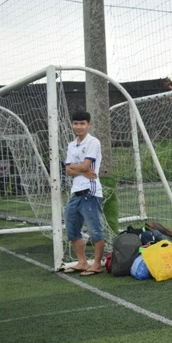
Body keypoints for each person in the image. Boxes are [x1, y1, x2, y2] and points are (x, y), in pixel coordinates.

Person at [62, 111, 106, 276]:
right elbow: (67, 170)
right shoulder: (71, 145)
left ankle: (97, 264)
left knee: (95, 230)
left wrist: (77, 167)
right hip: (76, 192)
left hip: (90, 192)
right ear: (72, 124)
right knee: (71, 228)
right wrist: (80, 169)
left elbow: (84, 166)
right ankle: (82, 262)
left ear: (88, 124)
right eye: (76, 123)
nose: (78, 127)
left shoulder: (93, 142)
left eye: (82, 123)